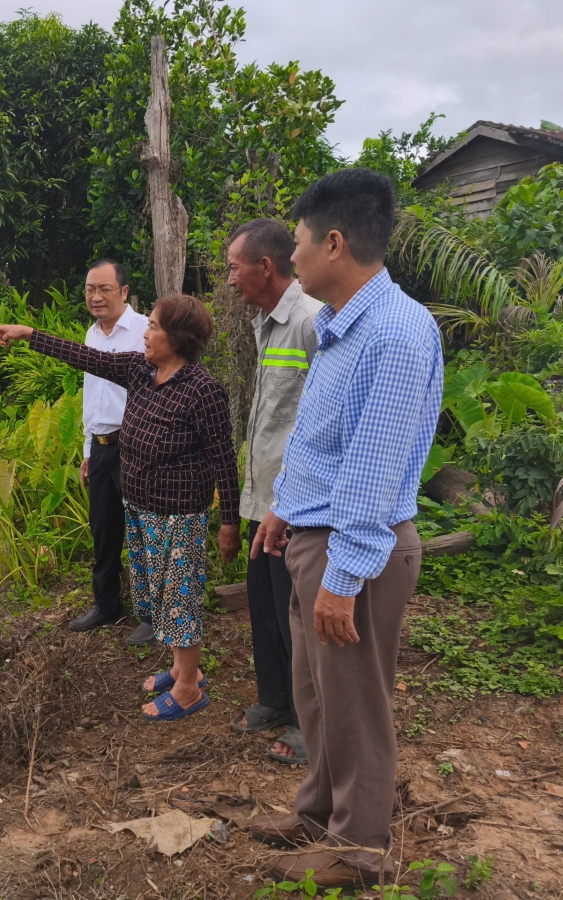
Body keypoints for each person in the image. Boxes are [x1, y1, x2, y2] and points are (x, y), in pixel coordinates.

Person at [245, 169, 443, 889]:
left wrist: (344, 574)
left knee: (355, 703)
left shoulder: (393, 333)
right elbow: (323, 442)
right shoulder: (340, 327)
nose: (292, 258)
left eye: (297, 243)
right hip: (315, 536)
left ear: (334, 243)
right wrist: (285, 507)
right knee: (316, 692)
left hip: (353, 548)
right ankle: (317, 814)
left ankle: (358, 848)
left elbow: (374, 466)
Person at [0, 294, 241, 720]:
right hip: (140, 507)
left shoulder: (203, 390)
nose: (146, 332)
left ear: (177, 338)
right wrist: (30, 335)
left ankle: (189, 690)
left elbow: (223, 459)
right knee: (157, 594)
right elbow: (85, 356)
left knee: (179, 597)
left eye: (154, 326)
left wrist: (229, 521)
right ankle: (183, 669)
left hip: (178, 513)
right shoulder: (142, 370)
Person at [225, 219, 323, 766]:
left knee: (299, 622)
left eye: (235, 267)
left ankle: (313, 725)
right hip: (263, 500)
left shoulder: (310, 320)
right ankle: (275, 701)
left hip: (297, 508)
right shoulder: (266, 321)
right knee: (264, 609)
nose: (231, 277)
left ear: (265, 267)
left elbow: (318, 424)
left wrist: (290, 507)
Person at [69, 260, 152, 642]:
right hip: (101, 449)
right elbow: (94, 397)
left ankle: (151, 615)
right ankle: (106, 605)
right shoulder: (91, 334)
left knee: (143, 531)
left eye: (104, 289)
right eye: (90, 289)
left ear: (123, 291)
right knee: (104, 531)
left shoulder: (146, 330)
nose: (96, 297)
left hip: (135, 446)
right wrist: (88, 449)